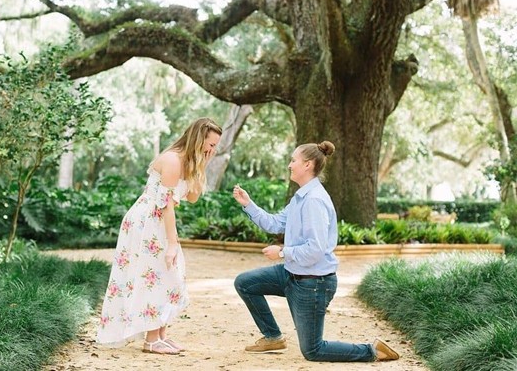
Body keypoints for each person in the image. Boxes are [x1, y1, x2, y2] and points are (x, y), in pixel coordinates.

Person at [232, 141, 400, 362]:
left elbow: (316, 249)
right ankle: (273, 336)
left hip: (313, 284)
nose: (290, 165)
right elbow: (274, 224)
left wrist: (282, 252)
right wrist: (248, 204)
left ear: (308, 164)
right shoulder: (300, 197)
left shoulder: (314, 201)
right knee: (245, 283)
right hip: (291, 275)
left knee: (313, 350)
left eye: (294, 160)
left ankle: (372, 350)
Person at [97, 117, 222, 355]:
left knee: (169, 274)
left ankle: (160, 334)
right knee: (156, 274)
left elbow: (192, 197)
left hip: (158, 221)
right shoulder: (173, 160)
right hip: (147, 223)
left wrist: (203, 165)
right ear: (198, 139)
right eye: (210, 144)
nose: (212, 150)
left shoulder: (189, 162)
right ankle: (151, 339)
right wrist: (172, 244)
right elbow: (166, 204)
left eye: (215, 146)